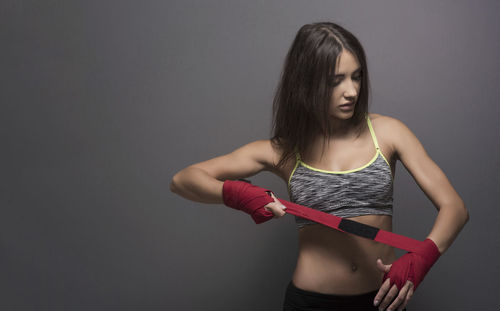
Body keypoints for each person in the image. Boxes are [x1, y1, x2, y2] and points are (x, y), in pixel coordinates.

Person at [170, 22, 469, 311]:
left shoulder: (389, 133)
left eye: (356, 76)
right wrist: (242, 196)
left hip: (382, 301)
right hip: (311, 303)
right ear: (306, 83)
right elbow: (184, 179)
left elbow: (454, 207)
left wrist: (422, 258)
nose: (351, 91)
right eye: (335, 80)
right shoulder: (282, 150)